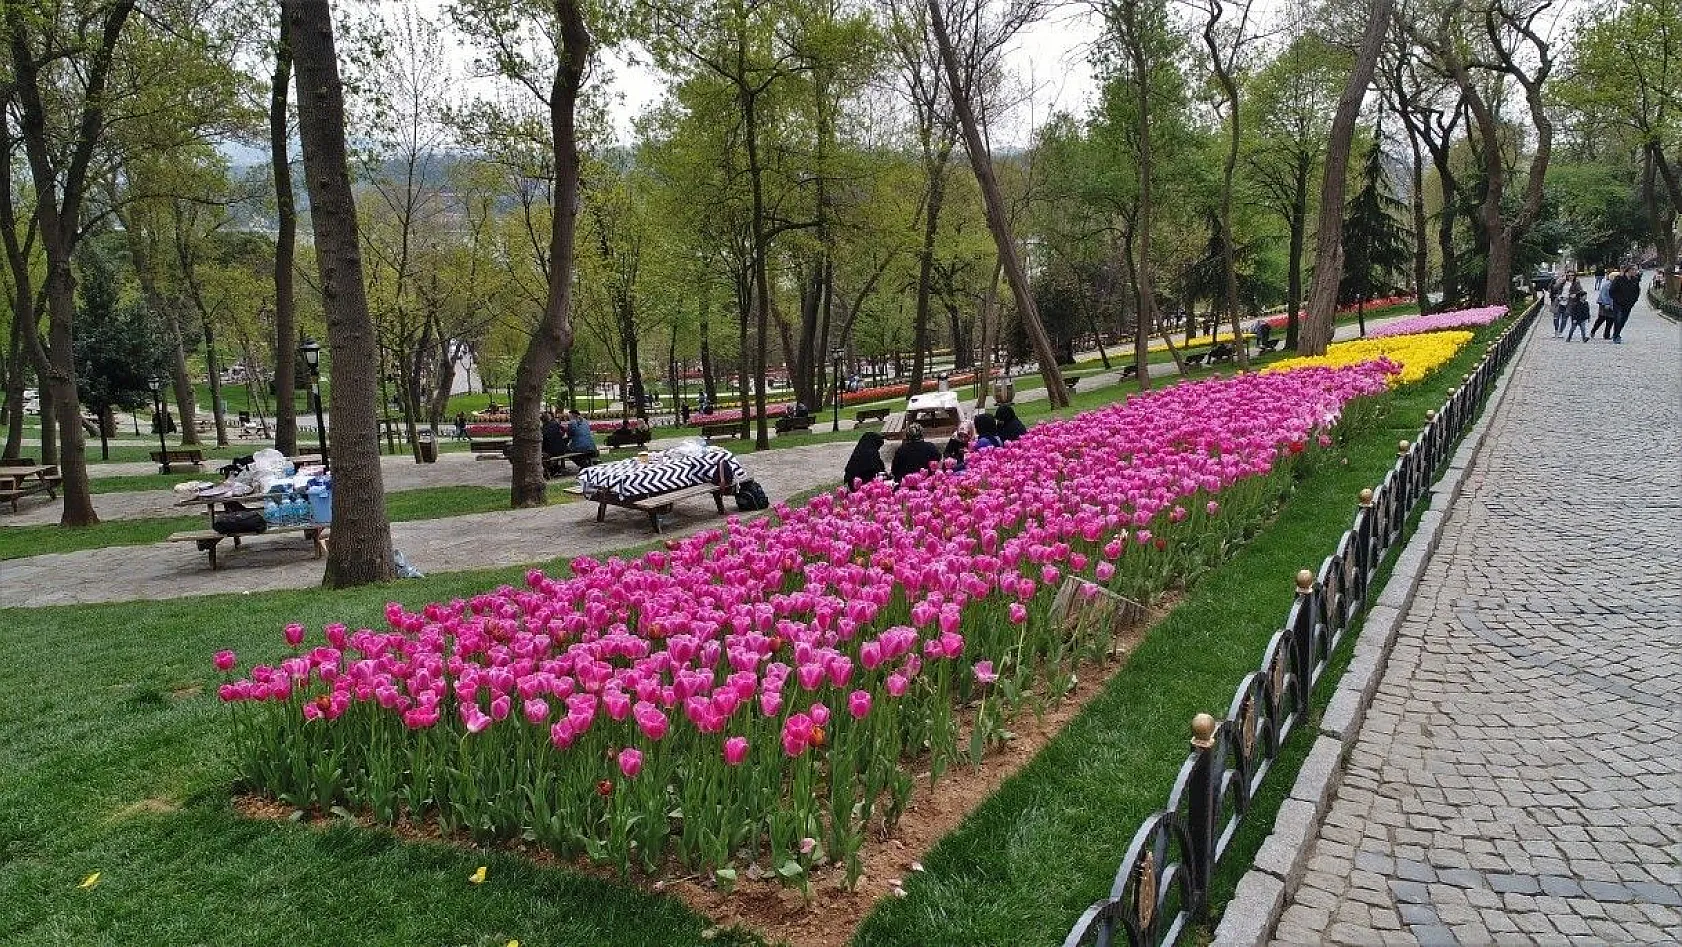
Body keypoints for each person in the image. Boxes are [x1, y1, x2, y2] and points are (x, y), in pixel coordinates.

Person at [1607, 264, 1641, 343]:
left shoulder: (1635, 280)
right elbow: (1611, 291)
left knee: (1623, 320)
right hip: (1618, 304)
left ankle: (1616, 333)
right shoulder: (1619, 279)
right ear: (1629, 270)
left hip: (1628, 304)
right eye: (1634, 270)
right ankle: (1616, 337)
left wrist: (1634, 301)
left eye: (1636, 270)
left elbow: (1637, 292)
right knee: (1618, 319)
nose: (1636, 272)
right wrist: (1617, 299)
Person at [1550, 270, 1576, 336]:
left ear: (1574, 276)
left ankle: (1560, 332)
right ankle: (1556, 331)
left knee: (1564, 319)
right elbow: (1554, 288)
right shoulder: (1563, 282)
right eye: (1569, 275)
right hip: (1559, 302)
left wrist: (1573, 296)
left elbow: (1580, 293)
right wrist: (1559, 281)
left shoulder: (1576, 284)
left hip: (1568, 304)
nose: (1570, 277)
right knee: (1556, 318)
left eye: (1572, 275)